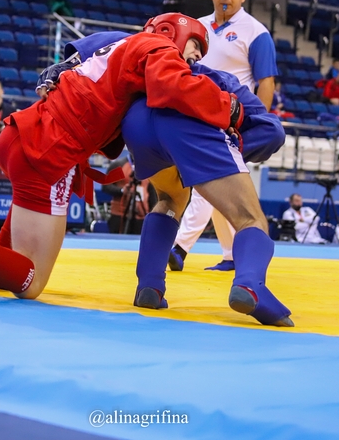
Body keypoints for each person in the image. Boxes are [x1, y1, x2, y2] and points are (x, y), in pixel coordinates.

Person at [0, 13, 244, 307]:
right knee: (32, 283)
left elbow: (76, 62)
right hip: (49, 154)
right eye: (194, 48)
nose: (195, 60)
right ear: (172, 32)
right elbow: (177, 86)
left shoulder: (118, 46)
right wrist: (228, 108)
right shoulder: (158, 48)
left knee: (5, 269)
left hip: (20, 132)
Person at [120, 70, 292, 326]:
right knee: (250, 218)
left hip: (137, 123)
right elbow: (272, 131)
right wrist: (231, 149)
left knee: (170, 199)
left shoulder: (143, 64)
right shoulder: (218, 77)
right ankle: (250, 286)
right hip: (190, 125)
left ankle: (150, 285)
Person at [169, 0, 279, 273]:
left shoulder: (256, 32)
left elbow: (266, 81)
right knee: (222, 185)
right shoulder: (197, 27)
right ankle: (231, 255)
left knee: (210, 178)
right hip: (196, 115)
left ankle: (179, 247)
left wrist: (258, 123)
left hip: (233, 117)